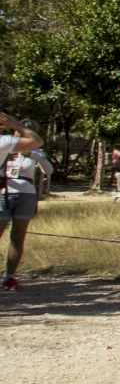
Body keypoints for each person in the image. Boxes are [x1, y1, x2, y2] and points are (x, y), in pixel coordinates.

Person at [1, 112, 47, 292]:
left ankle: (10, 276)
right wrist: (14, 124)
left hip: (25, 195)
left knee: (18, 237)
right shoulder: (6, 145)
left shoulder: (11, 145)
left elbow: (45, 169)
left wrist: (36, 157)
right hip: (4, 193)